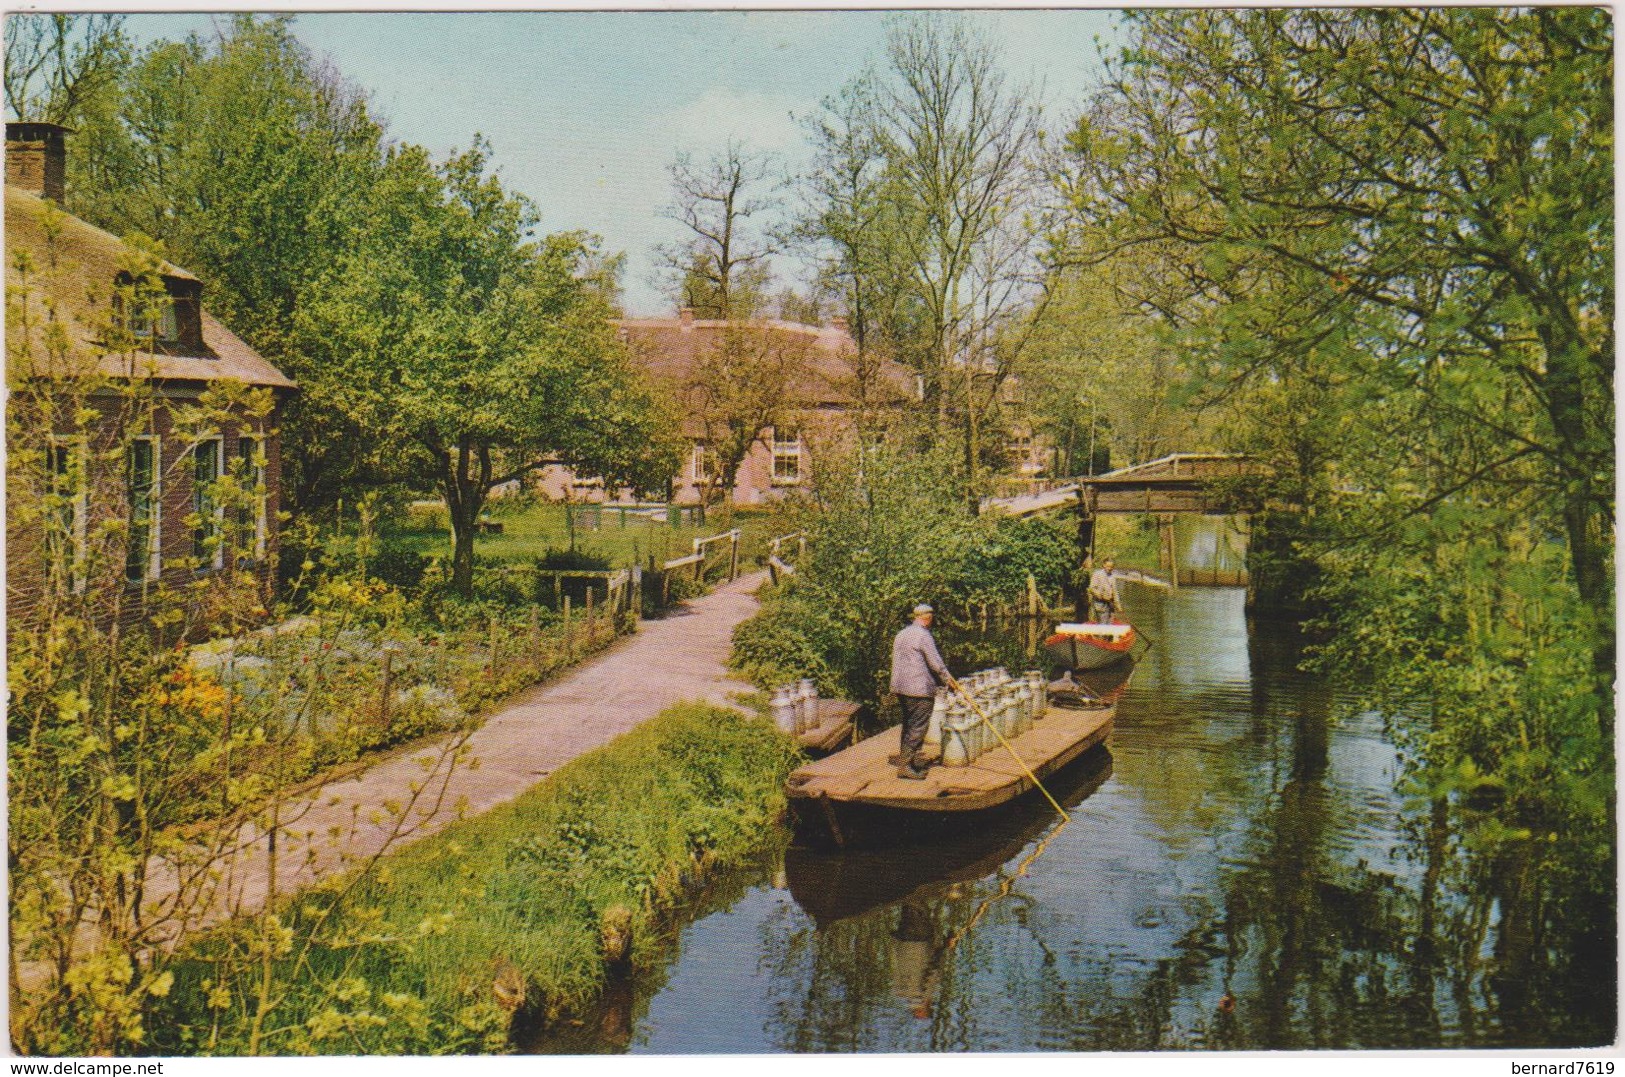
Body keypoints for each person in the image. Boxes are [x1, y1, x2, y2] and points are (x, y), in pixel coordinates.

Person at [890, 603, 954, 780]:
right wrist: (949, 680)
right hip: (918, 688)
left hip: (900, 687)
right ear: (928, 618)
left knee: (909, 723)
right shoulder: (923, 635)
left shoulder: (901, 634)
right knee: (918, 726)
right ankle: (905, 766)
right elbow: (935, 662)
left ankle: (907, 760)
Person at [1087, 557, 1119, 623]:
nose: (1110, 568)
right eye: (1108, 566)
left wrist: (1118, 604)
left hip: (1110, 604)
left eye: (1111, 567)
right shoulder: (1097, 574)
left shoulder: (1113, 576)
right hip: (1100, 604)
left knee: (1110, 623)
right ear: (1104, 565)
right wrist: (1102, 596)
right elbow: (1092, 588)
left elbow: (1115, 591)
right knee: (1103, 624)